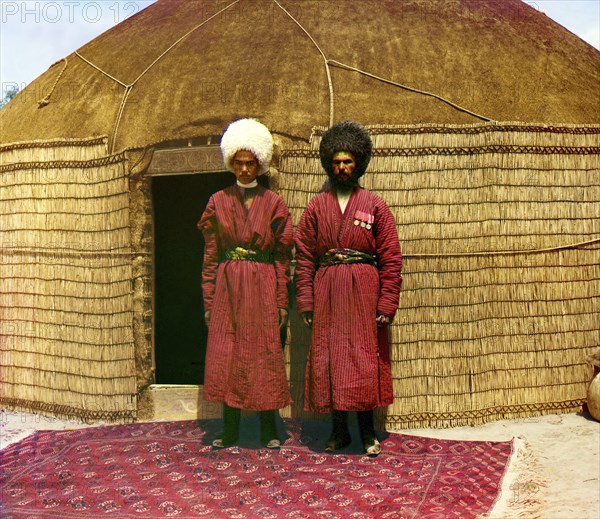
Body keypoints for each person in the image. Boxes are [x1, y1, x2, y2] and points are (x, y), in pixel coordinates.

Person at [294, 121, 402, 456]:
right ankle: (339, 432)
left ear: (358, 164)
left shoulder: (374, 206)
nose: (342, 168)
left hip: (363, 294)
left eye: (348, 162)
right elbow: (305, 258)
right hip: (327, 294)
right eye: (337, 162)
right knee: (332, 360)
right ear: (330, 164)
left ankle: (368, 434)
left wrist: (386, 304)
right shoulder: (315, 207)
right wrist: (307, 303)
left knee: (363, 359)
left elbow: (390, 258)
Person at [198, 118, 293, 449]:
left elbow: (282, 258)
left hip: (263, 285)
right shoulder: (217, 201)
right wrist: (209, 301)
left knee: (264, 353)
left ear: (259, 164)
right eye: (237, 163)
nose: (243, 169)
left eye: (249, 163)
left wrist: (282, 301)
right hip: (227, 288)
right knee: (228, 354)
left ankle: (269, 430)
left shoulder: (274, 204)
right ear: (230, 163)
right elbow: (210, 258)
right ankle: (231, 430)